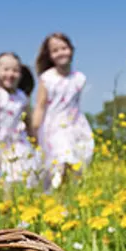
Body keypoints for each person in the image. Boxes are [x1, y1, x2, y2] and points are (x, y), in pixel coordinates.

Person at [30, 32, 94, 192]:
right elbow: (40, 105)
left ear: (71, 49)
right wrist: (35, 130)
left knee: (76, 166)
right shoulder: (47, 78)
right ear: (50, 56)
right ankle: (56, 196)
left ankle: (66, 198)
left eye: (64, 48)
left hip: (76, 125)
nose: (61, 52)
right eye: (55, 50)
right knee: (61, 162)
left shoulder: (80, 78)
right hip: (54, 127)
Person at [0, 52, 41, 195]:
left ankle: (8, 208)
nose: (10, 74)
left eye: (15, 70)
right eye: (5, 69)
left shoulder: (22, 97)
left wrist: (35, 142)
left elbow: (28, 121)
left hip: (16, 145)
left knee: (13, 179)